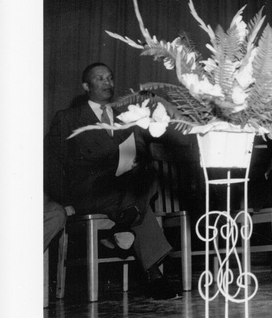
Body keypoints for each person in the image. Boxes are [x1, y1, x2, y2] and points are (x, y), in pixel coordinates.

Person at [44, 62, 180, 300]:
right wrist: (63, 199)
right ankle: (155, 275)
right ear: (86, 86)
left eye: (110, 78)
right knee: (139, 204)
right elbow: (51, 162)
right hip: (87, 192)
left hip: (121, 190)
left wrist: (137, 160)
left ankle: (121, 227)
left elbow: (138, 151)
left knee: (148, 175)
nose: (107, 83)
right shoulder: (68, 118)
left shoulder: (126, 118)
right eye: (100, 79)